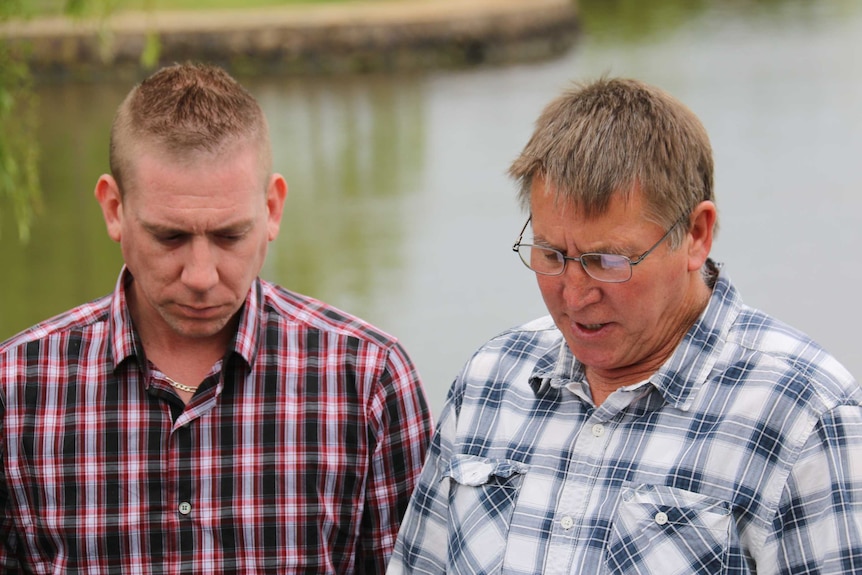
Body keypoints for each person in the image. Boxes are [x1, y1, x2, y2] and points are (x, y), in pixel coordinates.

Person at [387, 77, 862, 574]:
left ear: (696, 235)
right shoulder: (489, 380)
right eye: (551, 254)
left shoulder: (807, 419)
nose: (574, 294)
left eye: (607, 261)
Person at [0, 62, 433, 574]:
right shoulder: (15, 388)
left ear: (272, 209)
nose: (201, 275)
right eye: (169, 237)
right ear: (114, 208)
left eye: (229, 236)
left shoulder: (368, 381)